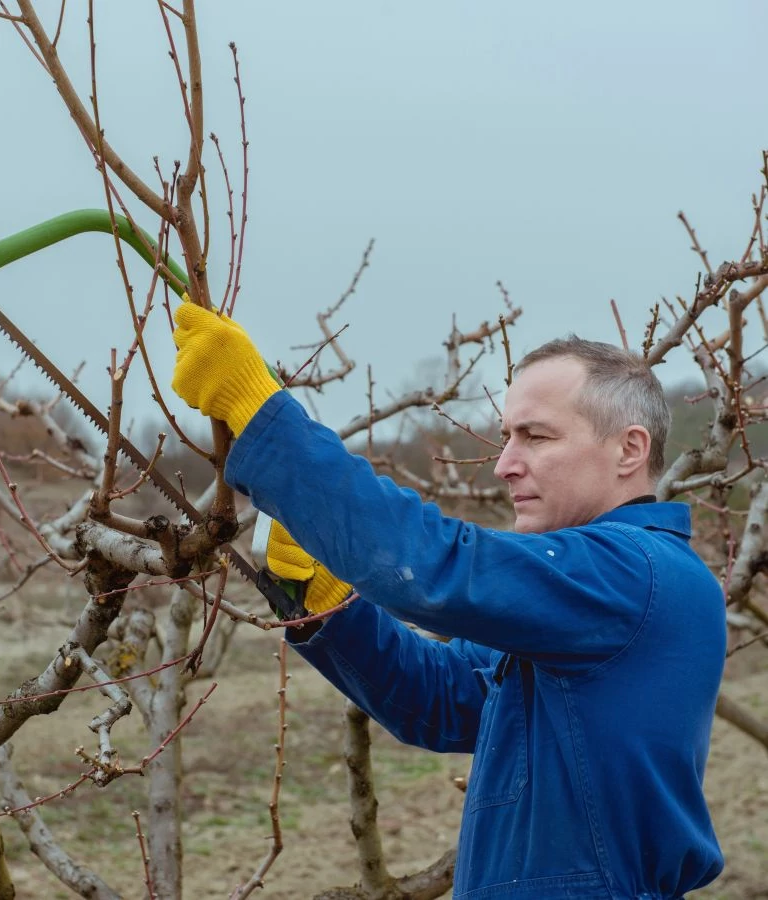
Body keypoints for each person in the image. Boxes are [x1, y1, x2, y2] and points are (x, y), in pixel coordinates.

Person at [171, 301, 726, 899]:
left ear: (629, 450)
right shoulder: (580, 607)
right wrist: (326, 600)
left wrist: (260, 415)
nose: (505, 465)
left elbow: (436, 567)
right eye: (507, 438)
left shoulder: (635, 572)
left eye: (535, 437)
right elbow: (437, 699)